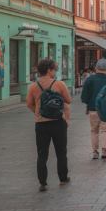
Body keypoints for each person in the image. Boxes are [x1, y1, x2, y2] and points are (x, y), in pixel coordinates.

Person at [26, 58, 72, 192]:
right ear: (49, 70)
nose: (55, 72)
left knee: (42, 154)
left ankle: (43, 182)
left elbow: (28, 103)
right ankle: (63, 178)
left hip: (41, 124)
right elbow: (68, 100)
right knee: (61, 152)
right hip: (58, 122)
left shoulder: (33, 86)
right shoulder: (59, 84)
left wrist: (38, 111)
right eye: (54, 69)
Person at [80, 58, 106, 160]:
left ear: (96, 68)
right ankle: (104, 151)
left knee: (94, 130)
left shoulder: (89, 79)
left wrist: (88, 103)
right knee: (105, 130)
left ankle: (95, 152)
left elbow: (84, 97)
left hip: (93, 109)